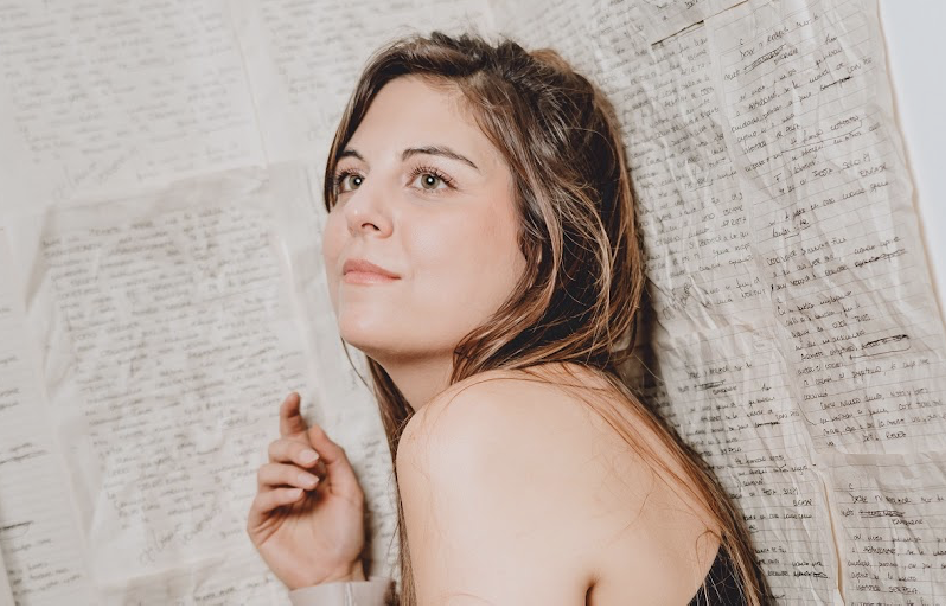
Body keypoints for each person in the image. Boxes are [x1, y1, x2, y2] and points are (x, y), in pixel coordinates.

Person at [246, 32, 770, 606]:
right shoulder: (564, 415)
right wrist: (331, 581)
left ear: (545, 240)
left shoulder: (481, 430)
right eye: (352, 178)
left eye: (430, 179)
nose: (359, 212)